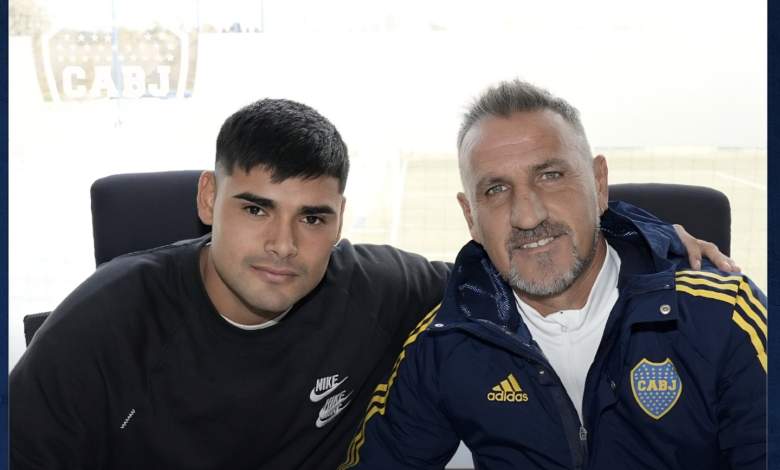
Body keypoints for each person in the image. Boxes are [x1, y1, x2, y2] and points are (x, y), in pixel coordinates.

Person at [10, 98, 735, 470]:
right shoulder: (102, 326)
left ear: (340, 220)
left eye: (313, 218)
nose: (284, 245)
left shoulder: (376, 290)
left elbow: (521, 263)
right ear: (208, 198)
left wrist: (648, 241)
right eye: (255, 209)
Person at [341, 80, 766, 470]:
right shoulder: (444, 344)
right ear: (470, 217)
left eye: (550, 176)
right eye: (495, 189)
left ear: (599, 184)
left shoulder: (723, 315)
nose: (527, 216)